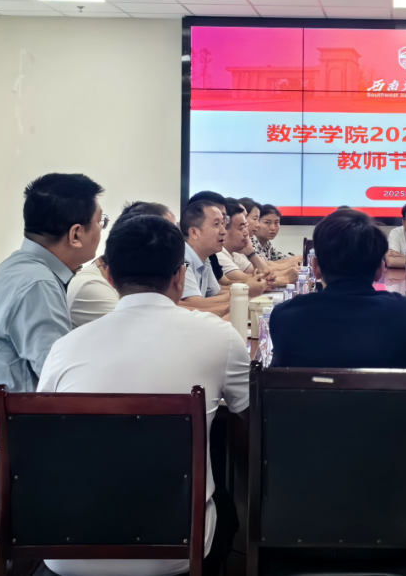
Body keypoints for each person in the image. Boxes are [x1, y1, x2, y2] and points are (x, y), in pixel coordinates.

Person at [38, 214, 249, 576]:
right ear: (180, 276)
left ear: (109, 275)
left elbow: (43, 438)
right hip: (175, 549)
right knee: (226, 510)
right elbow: (251, 412)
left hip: (67, 549)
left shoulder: (65, 347)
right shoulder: (219, 337)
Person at [0, 173, 104, 497]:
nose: (102, 231)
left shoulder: (22, 268)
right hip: (3, 459)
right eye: (100, 222)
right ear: (76, 234)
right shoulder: (37, 284)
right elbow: (59, 380)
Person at [271, 208, 406, 404]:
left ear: (315, 267)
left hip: (308, 432)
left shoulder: (285, 317)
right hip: (394, 433)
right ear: (380, 270)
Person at [66, 201, 176, 328]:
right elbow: (148, 326)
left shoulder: (134, 278)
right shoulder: (90, 286)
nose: (178, 243)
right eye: (168, 236)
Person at [179, 199, 233, 316]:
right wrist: (240, 295)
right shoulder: (181, 259)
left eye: (223, 224)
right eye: (216, 224)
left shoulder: (205, 257)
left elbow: (215, 293)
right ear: (194, 232)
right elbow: (193, 302)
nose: (223, 231)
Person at [251, 203, 299, 268]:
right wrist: (290, 262)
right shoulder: (251, 242)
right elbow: (263, 265)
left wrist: (295, 259)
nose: (273, 228)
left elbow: (278, 258)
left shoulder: (266, 243)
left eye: (276, 222)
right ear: (257, 223)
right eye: (267, 222)